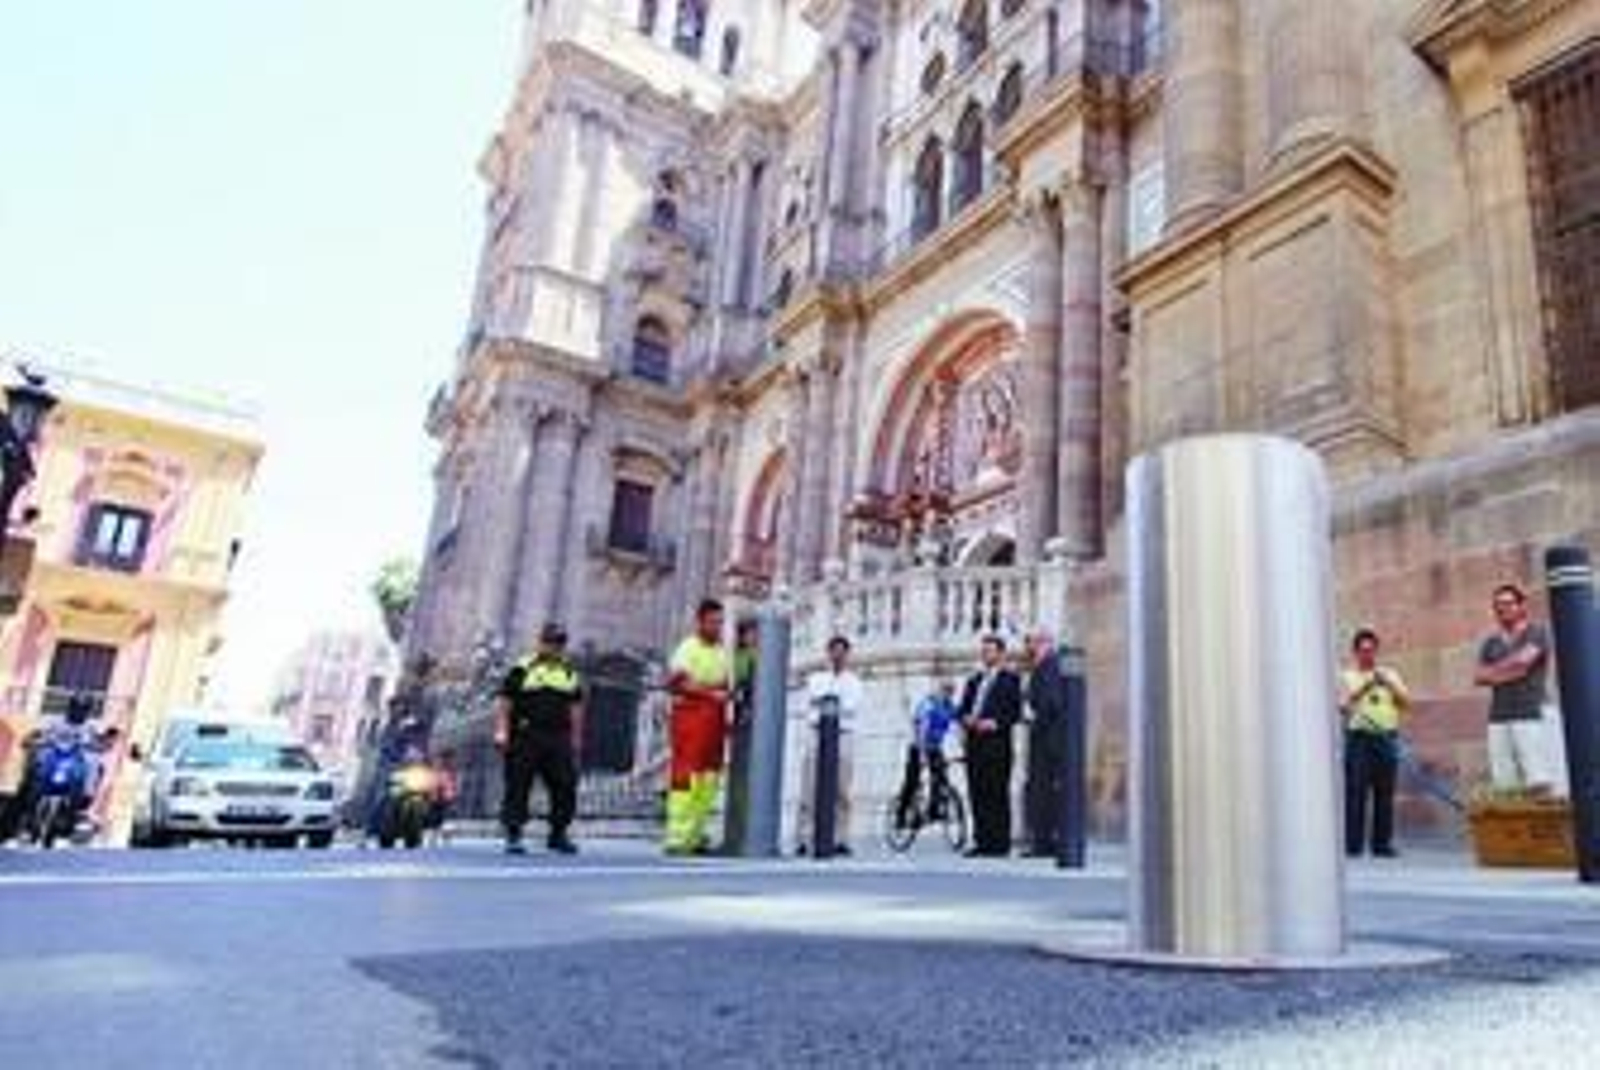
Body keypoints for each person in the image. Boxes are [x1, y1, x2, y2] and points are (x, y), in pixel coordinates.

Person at [494, 622, 584, 855]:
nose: (555, 647)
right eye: (551, 642)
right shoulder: (522, 668)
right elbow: (506, 701)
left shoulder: (568, 671)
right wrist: (502, 730)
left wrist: (575, 738)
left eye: (559, 643)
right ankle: (514, 833)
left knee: (565, 783)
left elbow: (575, 706)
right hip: (525, 733)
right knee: (518, 783)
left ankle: (558, 833)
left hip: (558, 735)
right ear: (541, 643)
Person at [1474, 584, 1558, 794]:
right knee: (1505, 784)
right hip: (1498, 718)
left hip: (1530, 713)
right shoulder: (1490, 642)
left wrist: (1495, 673)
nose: (1502, 609)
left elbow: (1524, 663)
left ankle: (1543, 828)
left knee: (1538, 780)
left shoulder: (1536, 632)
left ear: (1521, 606)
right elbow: (1479, 677)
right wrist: (1511, 669)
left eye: (1508, 603)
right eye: (1497, 605)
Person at [664, 599, 732, 855]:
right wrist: (709, 694)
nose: (718, 627)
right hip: (690, 722)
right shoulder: (687, 648)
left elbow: (725, 685)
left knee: (709, 781)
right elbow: (676, 683)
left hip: (714, 722)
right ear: (700, 621)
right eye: (714, 622)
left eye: (720, 622)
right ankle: (677, 836)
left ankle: (696, 835)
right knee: (686, 779)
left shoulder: (721, 652)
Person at [1340, 628, 1411, 858]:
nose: (1367, 655)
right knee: (1356, 792)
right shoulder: (1347, 676)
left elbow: (1406, 703)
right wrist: (1366, 685)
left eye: (1371, 651)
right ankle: (1353, 845)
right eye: (1362, 651)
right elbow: (1343, 706)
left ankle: (1381, 844)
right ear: (1355, 652)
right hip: (1359, 738)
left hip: (1386, 738)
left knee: (1385, 792)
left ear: (1376, 651)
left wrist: (1388, 684)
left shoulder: (1390, 674)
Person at [958, 634, 1023, 857]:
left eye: (990, 650)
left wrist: (994, 723)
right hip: (974, 742)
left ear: (1000, 653)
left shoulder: (1010, 679)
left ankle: (999, 843)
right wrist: (966, 719)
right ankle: (981, 840)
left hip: (997, 744)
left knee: (997, 792)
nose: (986, 654)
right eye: (984, 650)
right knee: (977, 792)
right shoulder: (974, 680)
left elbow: (1015, 713)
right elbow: (962, 708)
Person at [800, 635, 863, 856]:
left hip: (843, 734)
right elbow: (812, 702)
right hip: (817, 732)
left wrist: (826, 700)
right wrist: (827, 701)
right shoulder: (816, 678)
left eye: (842, 652)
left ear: (847, 655)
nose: (838, 655)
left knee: (842, 789)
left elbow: (849, 706)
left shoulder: (854, 682)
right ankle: (805, 837)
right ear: (828, 653)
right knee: (809, 787)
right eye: (834, 651)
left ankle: (841, 837)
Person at [1023, 630, 1069, 859]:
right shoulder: (1048, 665)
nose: (1028, 647)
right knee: (1044, 791)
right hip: (1049, 738)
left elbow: (1050, 702)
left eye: (1030, 643)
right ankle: (1044, 841)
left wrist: (1033, 718)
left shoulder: (1048, 665)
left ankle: (1043, 843)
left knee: (1042, 791)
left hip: (1046, 740)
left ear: (1043, 643)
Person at [896, 681, 957, 826]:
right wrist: (922, 754)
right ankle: (901, 814)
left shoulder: (950, 707)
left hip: (935, 747)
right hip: (918, 746)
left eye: (951, 691)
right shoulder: (928, 705)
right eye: (946, 690)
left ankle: (934, 810)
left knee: (941, 777)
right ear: (939, 690)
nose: (948, 694)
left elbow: (958, 727)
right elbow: (922, 729)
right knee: (912, 780)